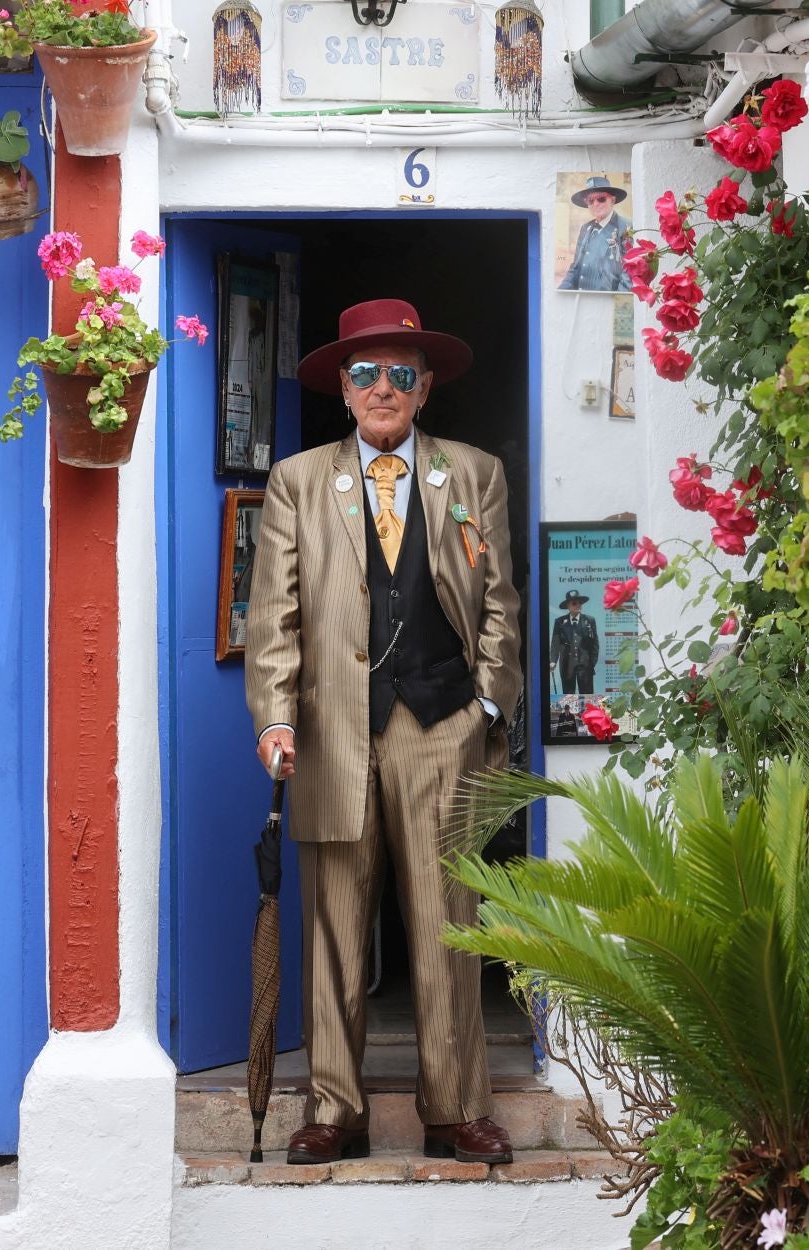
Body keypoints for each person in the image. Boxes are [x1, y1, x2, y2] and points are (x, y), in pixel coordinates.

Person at [246, 298, 522, 1167]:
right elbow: (274, 617)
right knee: (333, 922)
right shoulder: (297, 481)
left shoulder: (472, 474)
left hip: (442, 725)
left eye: (401, 373)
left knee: (449, 919)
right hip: (333, 729)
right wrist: (278, 716)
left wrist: (486, 706)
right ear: (341, 387)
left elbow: (500, 604)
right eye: (365, 373)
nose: (383, 388)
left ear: (426, 386)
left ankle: (456, 1108)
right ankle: (336, 1108)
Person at [558, 174, 631, 292]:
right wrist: (561, 292)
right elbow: (575, 267)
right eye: (590, 201)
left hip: (603, 302)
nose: (595, 204)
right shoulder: (585, 228)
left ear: (612, 200)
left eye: (601, 198)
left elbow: (628, 275)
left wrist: (615, 302)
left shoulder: (626, 228)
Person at [549, 590, 599, 697]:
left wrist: (591, 663)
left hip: (585, 666)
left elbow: (595, 644)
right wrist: (553, 660)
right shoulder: (560, 622)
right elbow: (555, 643)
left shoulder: (589, 620)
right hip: (567, 665)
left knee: (587, 697)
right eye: (574, 603)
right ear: (568, 605)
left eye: (579, 603)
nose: (578, 605)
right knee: (569, 697)